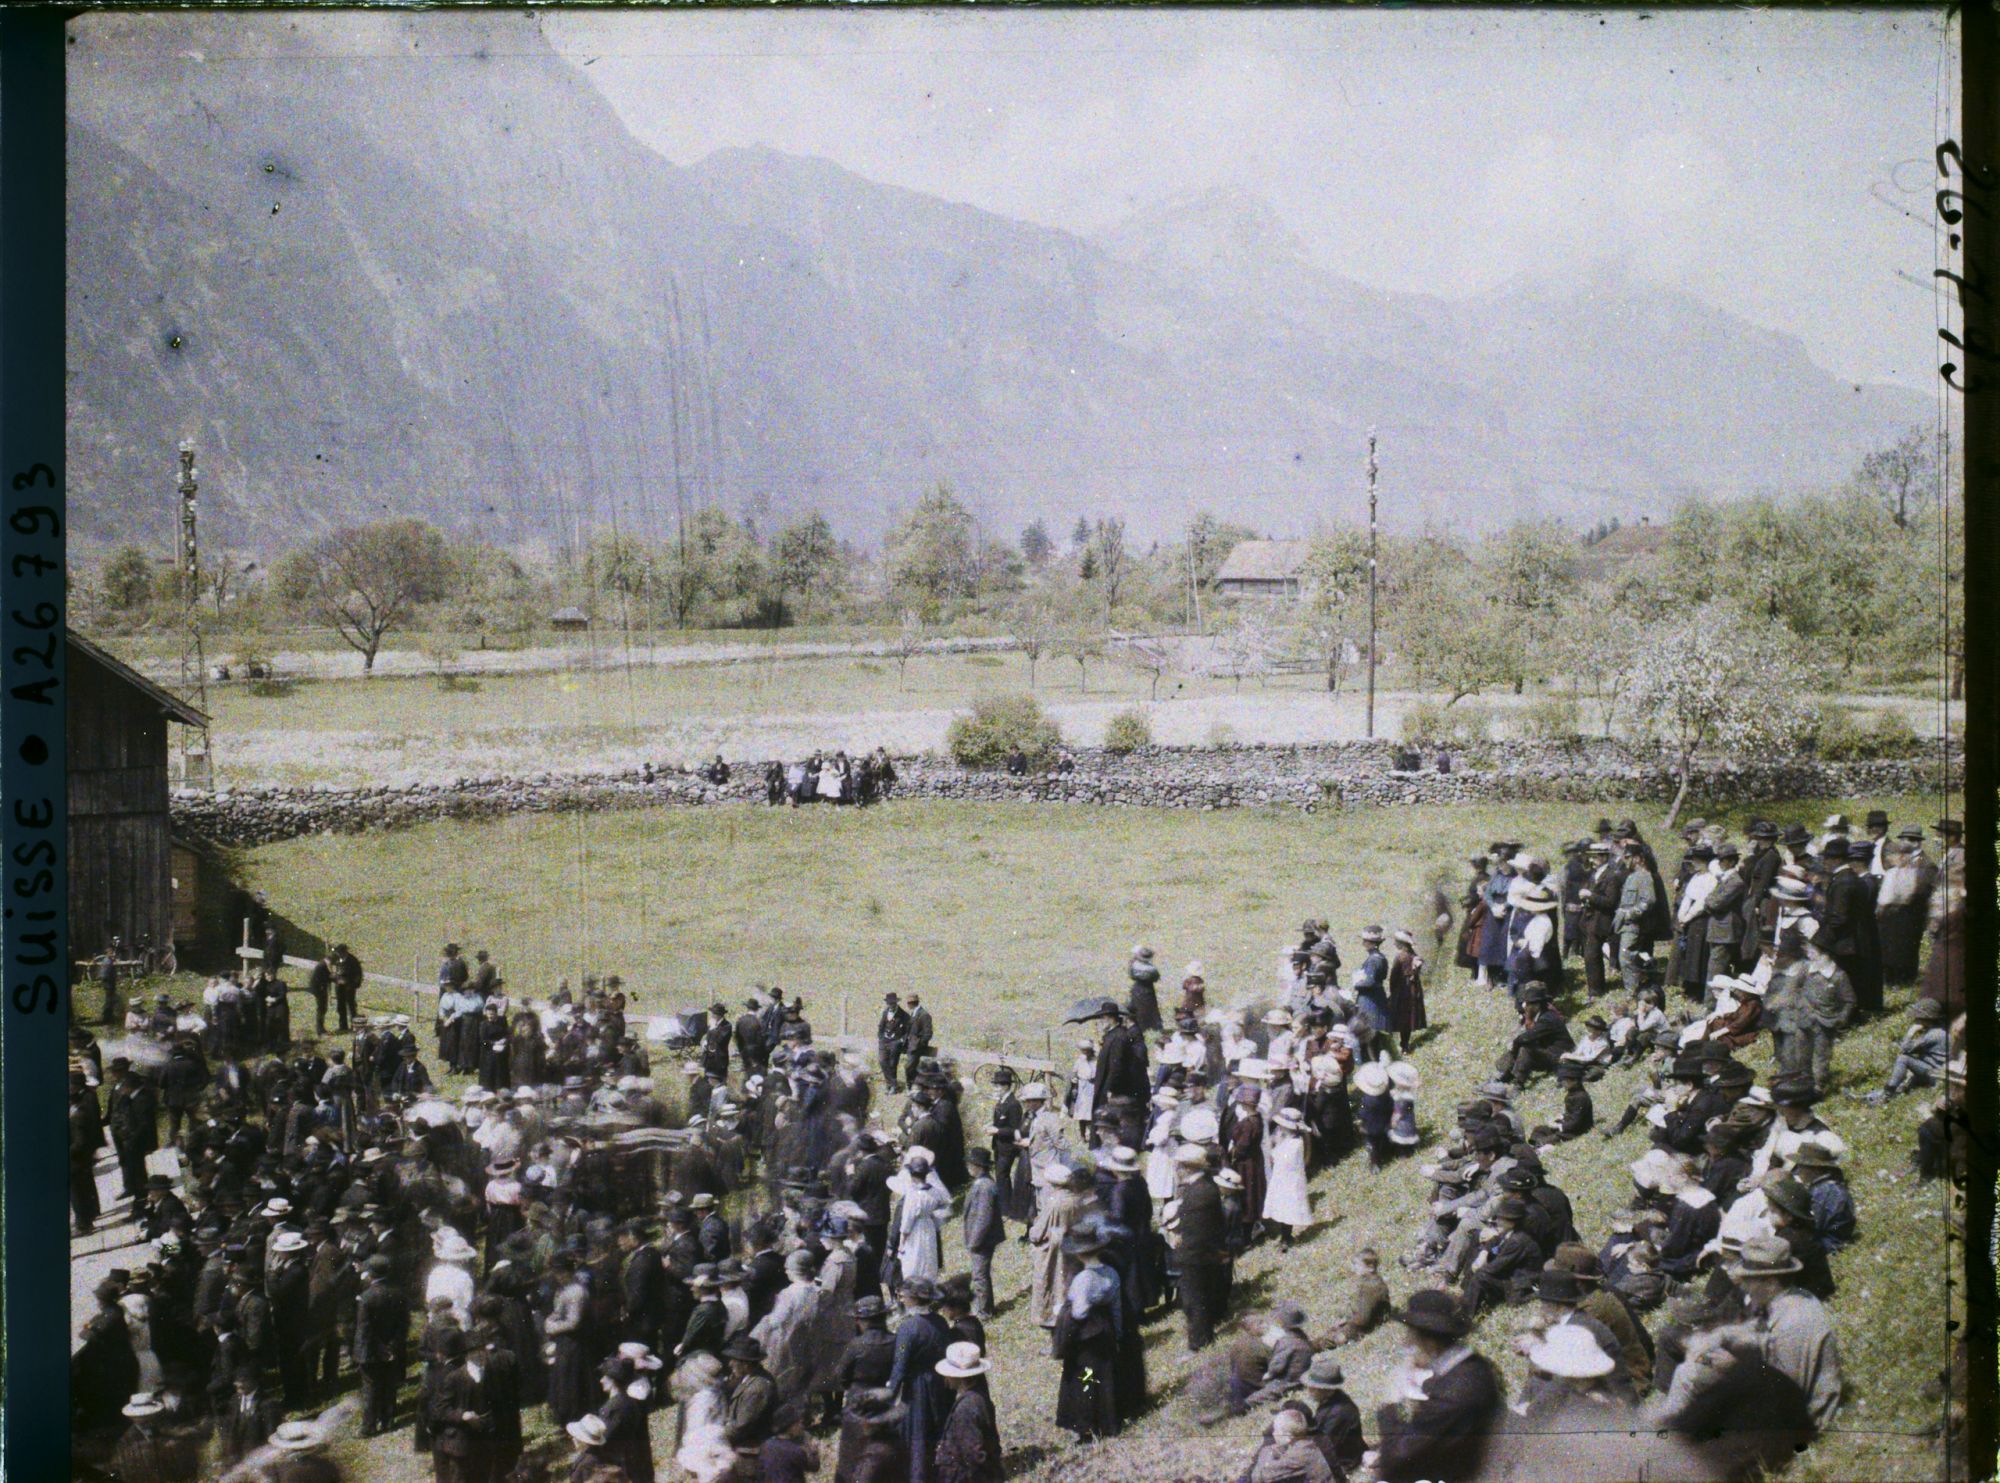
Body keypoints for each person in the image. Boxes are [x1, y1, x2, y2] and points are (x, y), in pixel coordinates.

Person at [1368, 1289, 1502, 1483]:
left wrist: (1391, 1402)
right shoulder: (1471, 1365)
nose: (1406, 1343)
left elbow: (1397, 1460)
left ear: (1429, 1342)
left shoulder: (1456, 1391)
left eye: (1410, 1336)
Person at [932, 1343, 1002, 1483]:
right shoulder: (979, 1397)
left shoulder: (966, 1408)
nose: (946, 1378)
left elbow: (973, 1454)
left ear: (958, 1377)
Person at [1863, 999, 1949, 1103]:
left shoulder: (1933, 1034)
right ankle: (1873, 1096)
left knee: (1903, 1059)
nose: (1915, 1019)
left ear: (1926, 1017)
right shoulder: (1939, 1030)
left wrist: (1911, 1032)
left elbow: (1904, 1050)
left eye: (1918, 1017)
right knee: (1906, 1079)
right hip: (1935, 1073)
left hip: (1935, 1075)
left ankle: (1886, 1095)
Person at [960, 1147, 1004, 1321]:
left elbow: (983, 1218)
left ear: (978, 1166)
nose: (968, 1167)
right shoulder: (982, 1183)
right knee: (981, 1274)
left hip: (982, 1240)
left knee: (979, 1276)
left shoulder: (984, 1186)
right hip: (981, 1239)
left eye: (971, 1164)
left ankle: (984, 1311)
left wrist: (974, 1241)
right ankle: (986, 1306)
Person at [1387, 929, 1429, 1054]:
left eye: (1396, 942)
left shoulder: (1400, 957)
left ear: (1402, 944)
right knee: (1409, 1016)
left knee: (1400, 1016)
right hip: (1413, 988)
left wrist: (1393, 992)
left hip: (1402, 989)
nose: (1395, 944)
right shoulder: (1413, 955)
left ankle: (1397, 1044)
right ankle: (1405, 1045)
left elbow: (1394, 977)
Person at [876, 995, 911, 1093]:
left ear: (896, 1003)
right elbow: (881, 1026)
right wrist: (881, 1037)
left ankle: (893, 1087)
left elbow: (908, 1031)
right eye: (889, 1003)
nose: (890, 1005)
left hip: (895, 1042)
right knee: (882, 1061)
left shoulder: (904, 1015)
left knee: (892, 1064)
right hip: (884, 1041)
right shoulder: (885, 1012)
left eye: (892, 1003)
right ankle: (890, 1083)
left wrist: (901, 1040)